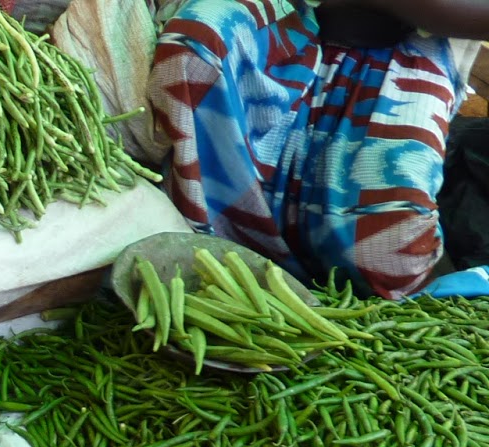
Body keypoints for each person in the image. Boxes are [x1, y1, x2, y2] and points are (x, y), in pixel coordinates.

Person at [148, 0, 488, 297]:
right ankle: (207, 246)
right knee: (197, 43)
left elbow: (443, 10)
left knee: (383, 250)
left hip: (408, 43)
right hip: (289, 15)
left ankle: (308, 286)